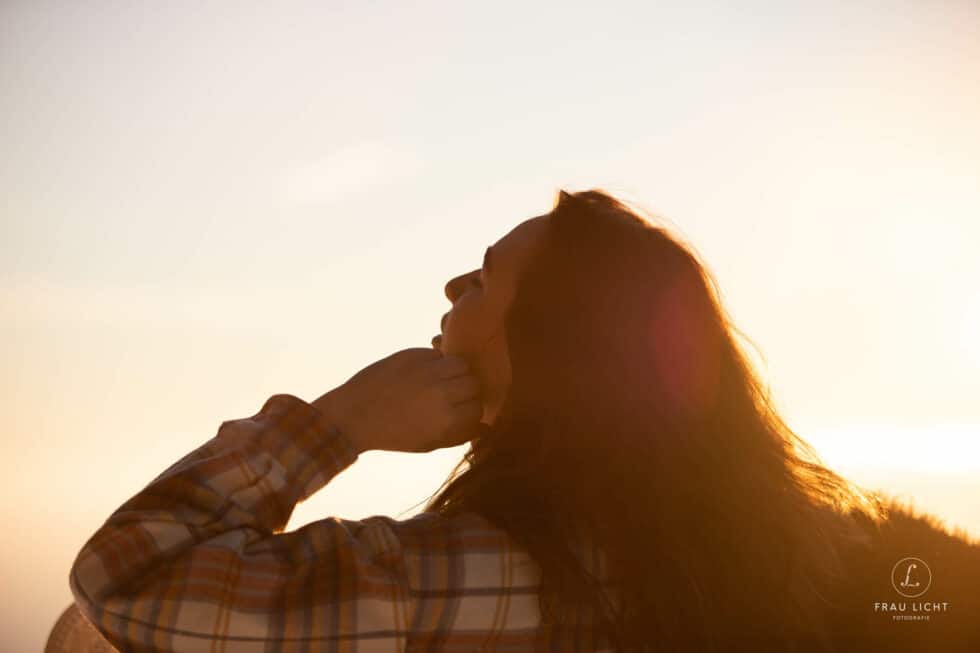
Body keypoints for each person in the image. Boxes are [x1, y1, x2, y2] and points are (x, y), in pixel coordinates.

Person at [67, 189, 980, 652]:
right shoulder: (791, 547)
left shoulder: (458, 575)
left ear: (549, 347)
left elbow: (129, 579)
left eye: (482, 278)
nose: (451, 289)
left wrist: (343, 419)